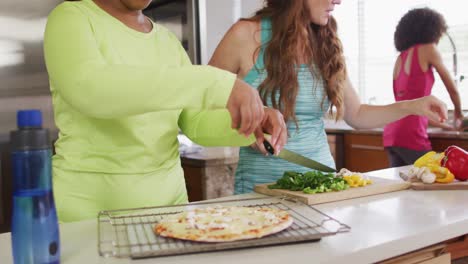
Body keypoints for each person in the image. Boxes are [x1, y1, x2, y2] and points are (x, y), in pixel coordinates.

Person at [43, 0, 287, 222]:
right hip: (90, 214)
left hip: (169, 211)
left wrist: (250, 120)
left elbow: (196, 123)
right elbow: (91, 90)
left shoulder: (167, 41)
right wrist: (216, 83)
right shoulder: (71, 18)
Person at [209, 0, 450, 194]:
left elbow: (357, 114)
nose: (339, 1)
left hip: (321, 189)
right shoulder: (245, 35)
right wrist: (247, 125)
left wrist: (414, 105)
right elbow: (202, 103)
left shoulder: (326, 42)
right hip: (260, 191)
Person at [383, 7, 464, 167]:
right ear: (432, 30)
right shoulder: (428, 49)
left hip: (392, 134)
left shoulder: (400, 58)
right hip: (411, 136)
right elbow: (452, 88)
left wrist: (442, 125)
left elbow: (410, 106)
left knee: (405, 187)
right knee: (436, 180)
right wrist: (458, 113)